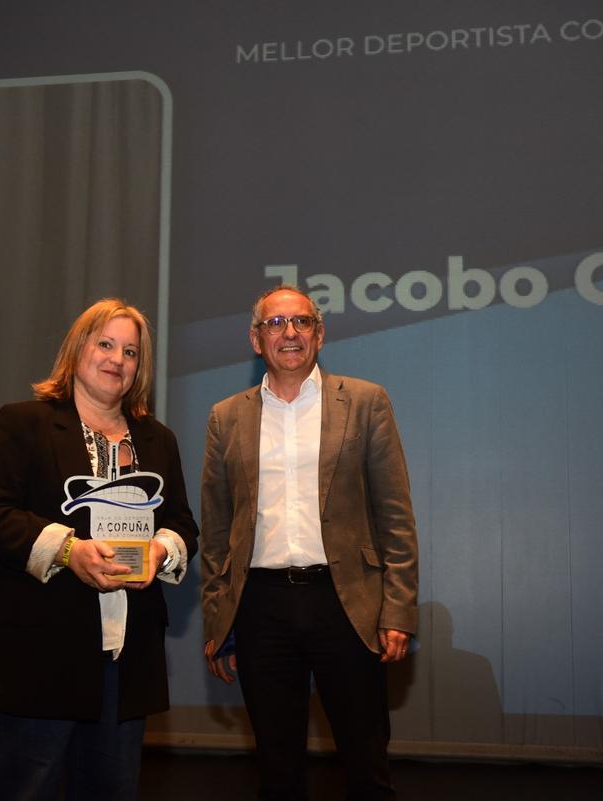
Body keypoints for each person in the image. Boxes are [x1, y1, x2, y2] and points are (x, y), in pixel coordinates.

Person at [0, 298, 198, 801]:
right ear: (78, 350)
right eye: (106, 344)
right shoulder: (24, 423)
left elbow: (181, 523)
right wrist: (69, 551)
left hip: (126, 657)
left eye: (131, 352)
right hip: (37, 656)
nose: (118, 359)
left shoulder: (158, 440)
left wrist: (161, 552)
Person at [200, 285, 418, 801]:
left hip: (348, 604)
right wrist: (217, 617)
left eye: (301, 322)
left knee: (366, 765)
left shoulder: (366, 403)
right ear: (256, 340)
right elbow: (215, 529)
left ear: (320, 334)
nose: (289, 333)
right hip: (260, 608)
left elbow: (396, 516)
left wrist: (399, 610)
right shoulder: (225, 417)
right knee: (277, 770)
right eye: (275, 324)